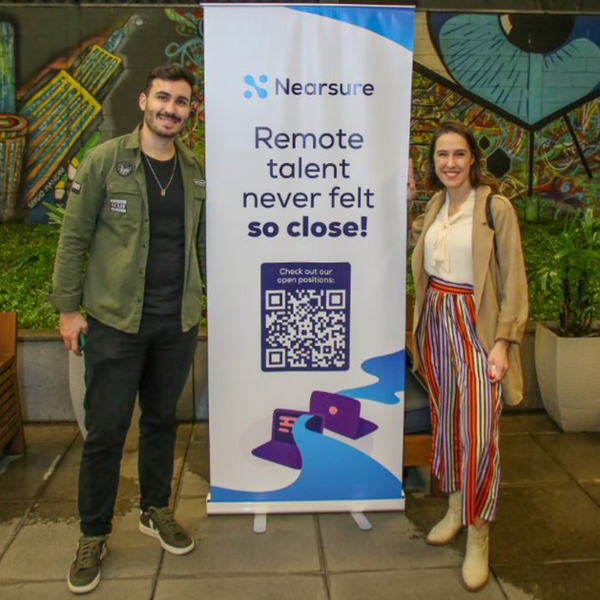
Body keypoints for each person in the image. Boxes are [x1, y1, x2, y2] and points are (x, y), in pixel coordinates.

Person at [49, 64, 206, 595]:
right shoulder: (104, 161)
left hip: (175, 323)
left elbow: (198, 245)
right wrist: (69, 311)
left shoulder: (193, 170)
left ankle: (155, 508)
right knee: (107, 432)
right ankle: (93, 533)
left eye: (181, 102)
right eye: (163, 98)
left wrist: (208, 303)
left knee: (162, 420)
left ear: (189, 112)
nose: (171, 109)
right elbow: (72, 240)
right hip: (115, 323)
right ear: (143, 101)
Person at [408, 121, 528, 591]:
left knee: (480, 431)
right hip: (436, 318)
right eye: (442, 155)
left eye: (459, 154)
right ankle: (456, 507)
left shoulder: (495, 208)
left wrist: (503, 340)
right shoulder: (438, 204)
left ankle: (480, 534)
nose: (451, 163)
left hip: (476, 323)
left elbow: (513, 277)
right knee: (448, 419)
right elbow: (417, 251)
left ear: (473, 159)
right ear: (434, 163)